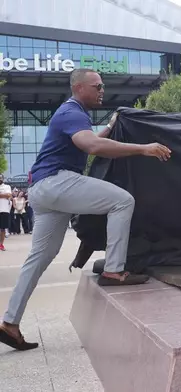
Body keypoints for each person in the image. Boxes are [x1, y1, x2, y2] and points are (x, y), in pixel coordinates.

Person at [0, 68, 172, 352]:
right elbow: (91, 146)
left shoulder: (71, 114)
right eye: (98, 86)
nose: (102, 90)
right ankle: (115, 271)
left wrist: (111, 125)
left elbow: (91, 141)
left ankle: (9, 322)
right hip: (57, 182)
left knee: (39, 259)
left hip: (43, 192)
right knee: (123, 201)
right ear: (79, 87)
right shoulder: (72, 112)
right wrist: (144, 148)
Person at [0, 175, 11, 251]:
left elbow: (9, 195)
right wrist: (4, 195)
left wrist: (5, 195)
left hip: (4, 209)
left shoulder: (7, 187)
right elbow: (6, 195)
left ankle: (1, 244)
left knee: (3, 229)